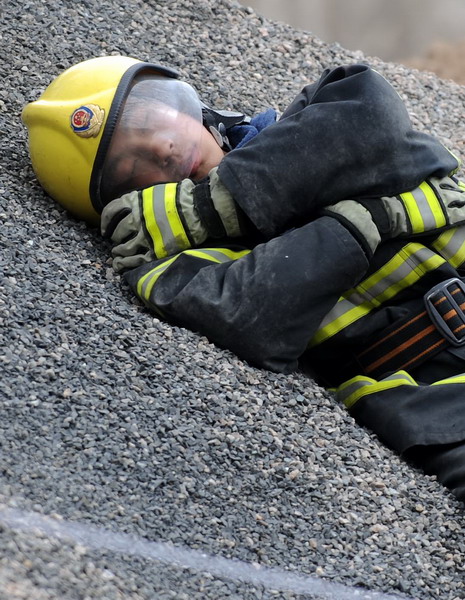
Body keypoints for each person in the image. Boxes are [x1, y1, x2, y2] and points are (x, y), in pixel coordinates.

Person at [22, 56, 465, 503]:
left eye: (151, 120)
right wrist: (371, 217)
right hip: (429, 389)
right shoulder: (162, 267)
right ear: (119, 205)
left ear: (186, 105)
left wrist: (214, 203)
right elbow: (255, 318)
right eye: (130, 167)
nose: (162, 149)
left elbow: (373, 118)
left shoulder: (317, 116)